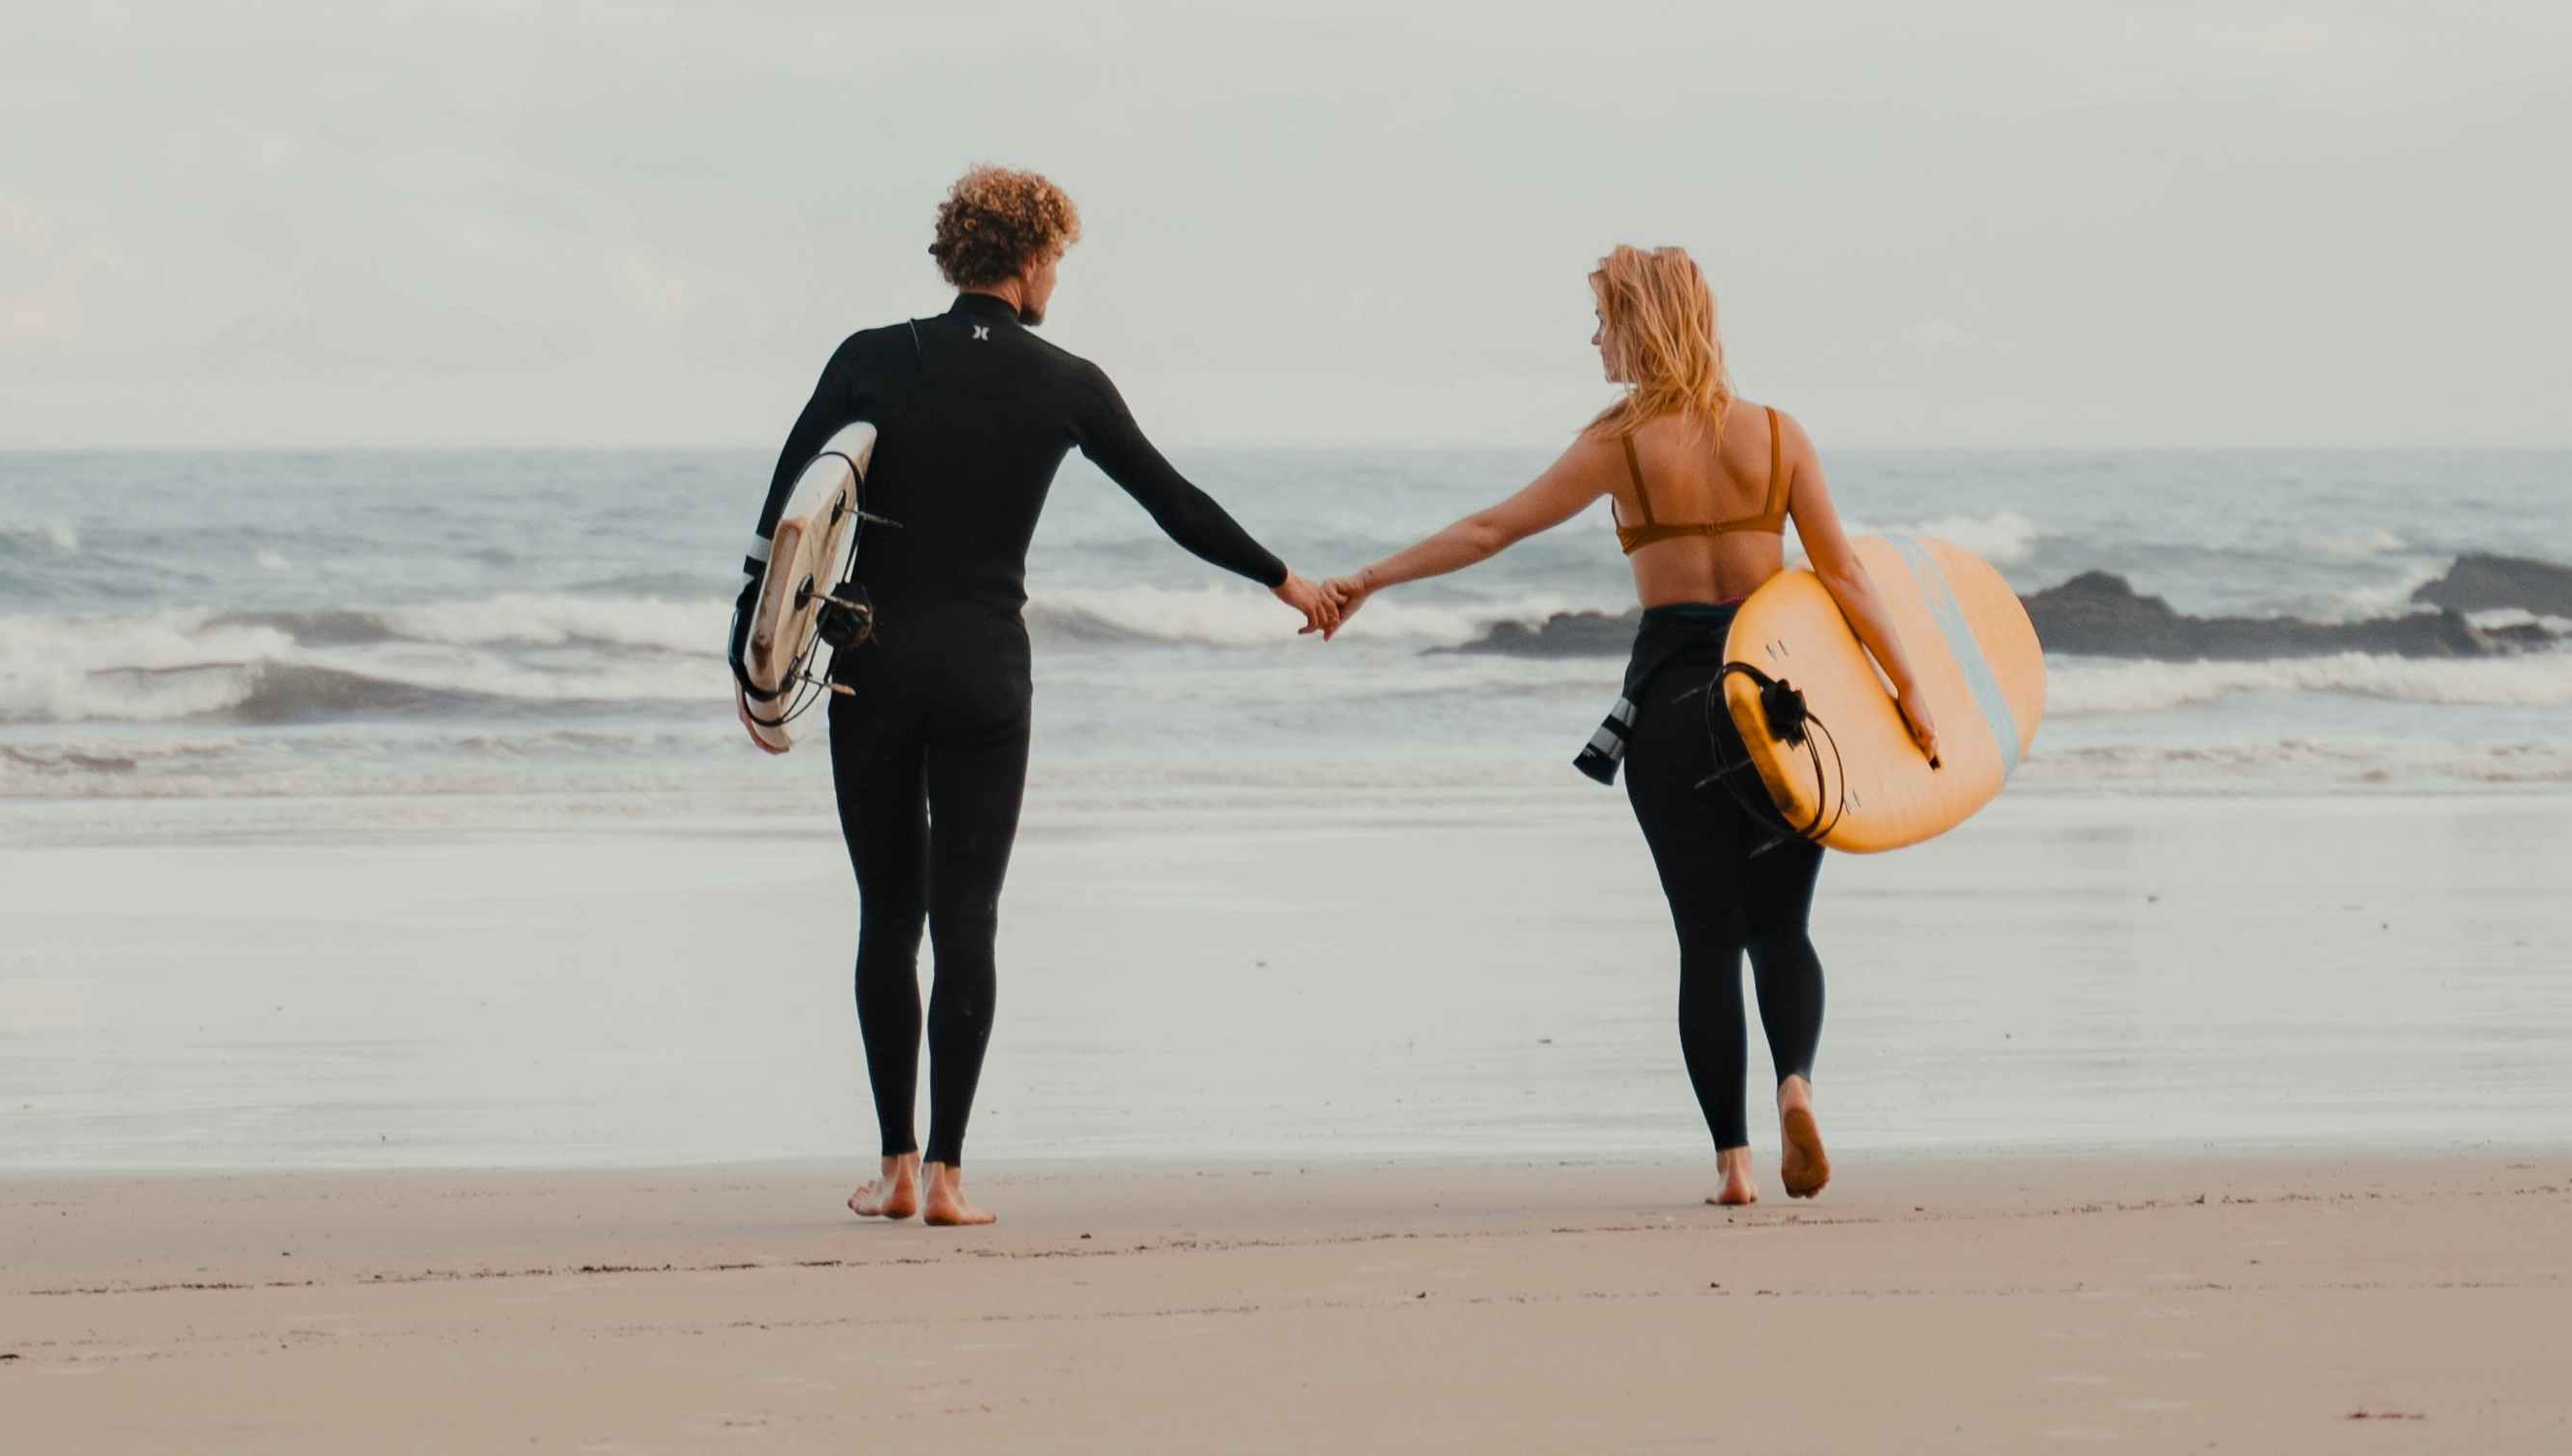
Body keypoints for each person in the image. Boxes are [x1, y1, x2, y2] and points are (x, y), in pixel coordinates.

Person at [736, 166, 1343, 1226]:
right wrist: (1284, 578)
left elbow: (783, 519)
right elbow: (1175, 504)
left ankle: (890, 1166)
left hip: (872, 665)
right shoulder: (1066, 380)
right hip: (985, 671)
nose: (1058, 275)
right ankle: (952, 1180)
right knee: (968, 917)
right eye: (1058, 256)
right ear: (1031, 258)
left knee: (890, 915)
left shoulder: (870, 358)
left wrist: (751, 667)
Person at [1319, 246, 1930, 1206]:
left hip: (1679, 711)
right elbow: (1846, 577)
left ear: (1641, 324)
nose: (1594, 338)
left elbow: (1492, 530)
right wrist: (1912, 698)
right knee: (1782, 925)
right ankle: (1797, 1089)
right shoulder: (1779, 435)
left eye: (1604, 319)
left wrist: (1367, 578)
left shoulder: (1620, 442)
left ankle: (1733, 1168)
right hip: (1781, 711)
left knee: (1705, 939)